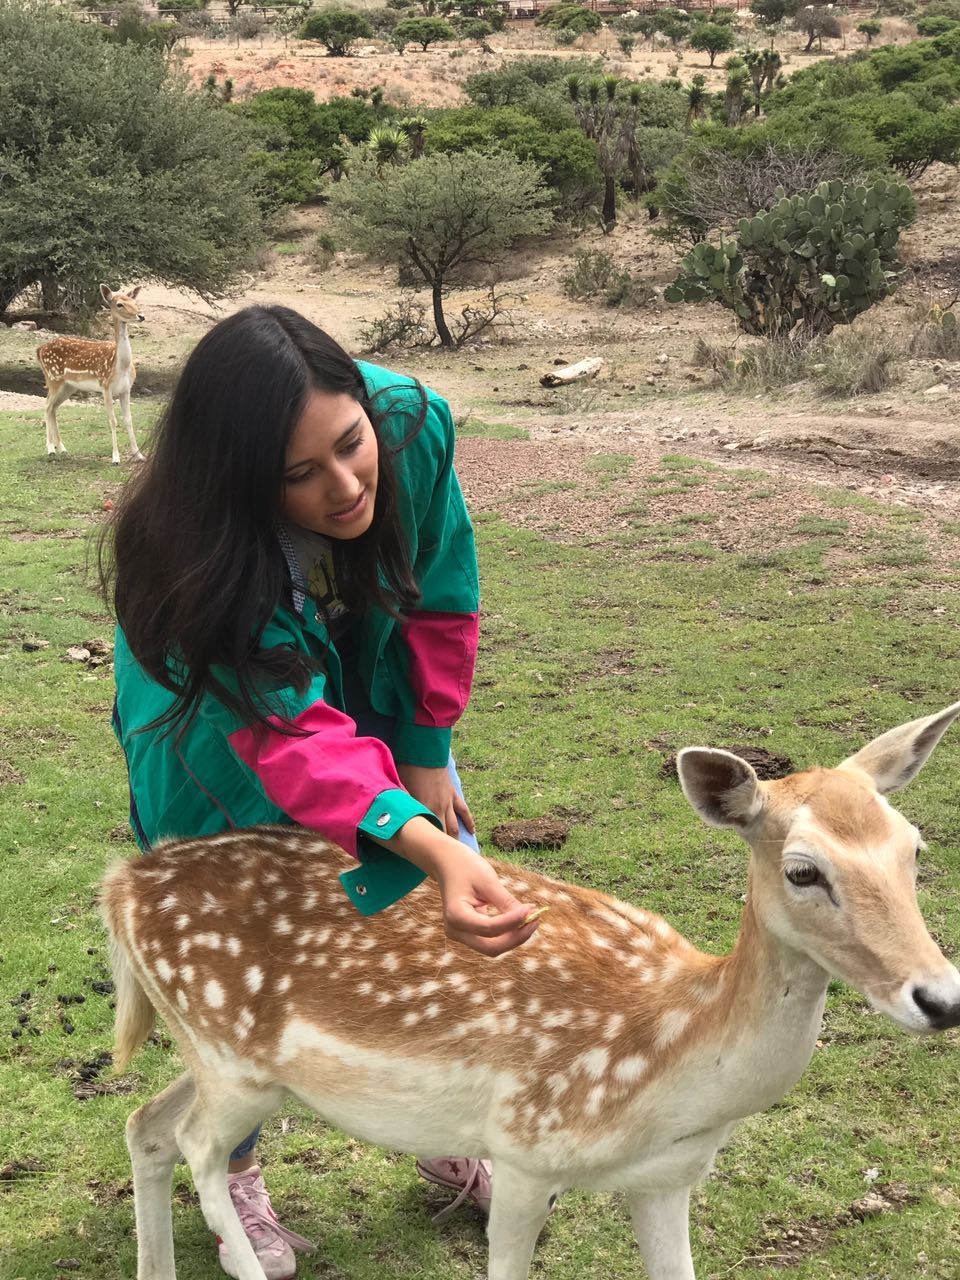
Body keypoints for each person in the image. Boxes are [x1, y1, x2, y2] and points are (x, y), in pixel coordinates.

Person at [99, 305, 541, 1280]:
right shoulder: (189, 554)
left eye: (349, 444)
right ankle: (232, 1164)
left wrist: (424, 748)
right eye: (301, 473)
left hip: (355, 643)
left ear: (363, 405)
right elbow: (292, 734)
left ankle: (438, 1120)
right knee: (256, 938)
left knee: (423, 897)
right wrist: (418, 838)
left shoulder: (410, 424)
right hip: (219, 709)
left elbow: (441, 590)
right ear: (243, 481)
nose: (345, 486)